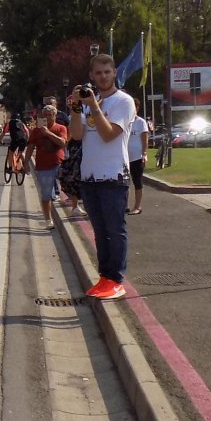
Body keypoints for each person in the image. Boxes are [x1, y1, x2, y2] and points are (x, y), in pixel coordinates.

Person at [68, 51, 138, 301]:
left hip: (113, 175)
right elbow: (76, 135)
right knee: (99, 230)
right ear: (91, 76)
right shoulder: (89, 102)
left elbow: (109, 135)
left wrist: (94, 106)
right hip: (90, 177)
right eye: (98, 73)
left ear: (114, 73)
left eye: (107, 72)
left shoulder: (123, 102)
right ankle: (105, 277)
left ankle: (116, 279)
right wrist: (77, 107)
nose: (103, 76)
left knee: (114, 230)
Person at [26, 105, 68, 228]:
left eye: (50, 115)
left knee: (70, 187)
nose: (48, 117)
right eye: (45, 115)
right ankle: (48, 220)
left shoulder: (61, 128)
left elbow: (62, 143)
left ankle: (75, 207)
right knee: (46, 194)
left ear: (55, 116)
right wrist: (26, 163)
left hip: (59, 164)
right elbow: (30, 147)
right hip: (43, 166)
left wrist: (48, 133)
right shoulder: (36, 131)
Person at [127, 112, 149, 214]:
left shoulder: (140, 122)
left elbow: (145, 139)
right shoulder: (125, 121)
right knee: (124, 183)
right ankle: (124, 205)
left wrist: (144, 154)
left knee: (137, 181)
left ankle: (137, 206)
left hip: (137, 157)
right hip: (124, 157)